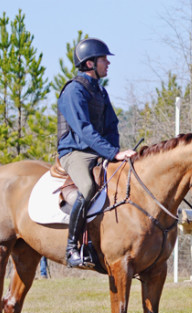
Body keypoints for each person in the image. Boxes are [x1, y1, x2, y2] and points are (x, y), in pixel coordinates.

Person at [57, 38, 135, 268]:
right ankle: (72, 248)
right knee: (89, 187)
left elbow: (112, 125)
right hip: (75, 151)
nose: (108, 63)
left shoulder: (101, 91)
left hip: (99, 151)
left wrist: (115, 153)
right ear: (90, 63)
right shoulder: (73, 90)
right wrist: (112, 153)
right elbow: (83, 129)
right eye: (104, 59)